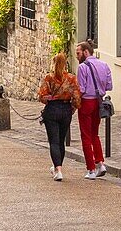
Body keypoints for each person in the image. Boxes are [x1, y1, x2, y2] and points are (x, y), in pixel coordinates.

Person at [38, 51, 81, 182]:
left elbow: (42, 97)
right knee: (61, 140)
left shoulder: (48, 78)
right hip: (65, 110)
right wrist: (72, 108)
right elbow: (77, 98)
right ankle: (58, 167)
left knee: (54, 141)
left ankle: (58, 169)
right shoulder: (71, 78)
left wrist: (50, 99)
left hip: (52, 109)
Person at [75, 39, 113, 180]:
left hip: (86, 102)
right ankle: (100, 162)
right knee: (94, 134)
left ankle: (91, 169)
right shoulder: (104, 65)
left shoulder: (83, 67)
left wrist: (74, 100)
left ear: (86, 52)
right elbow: (109, 86)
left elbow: (82, 88)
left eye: (78, 53)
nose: (77, 56)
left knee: (85, 135)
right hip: (99, 101)